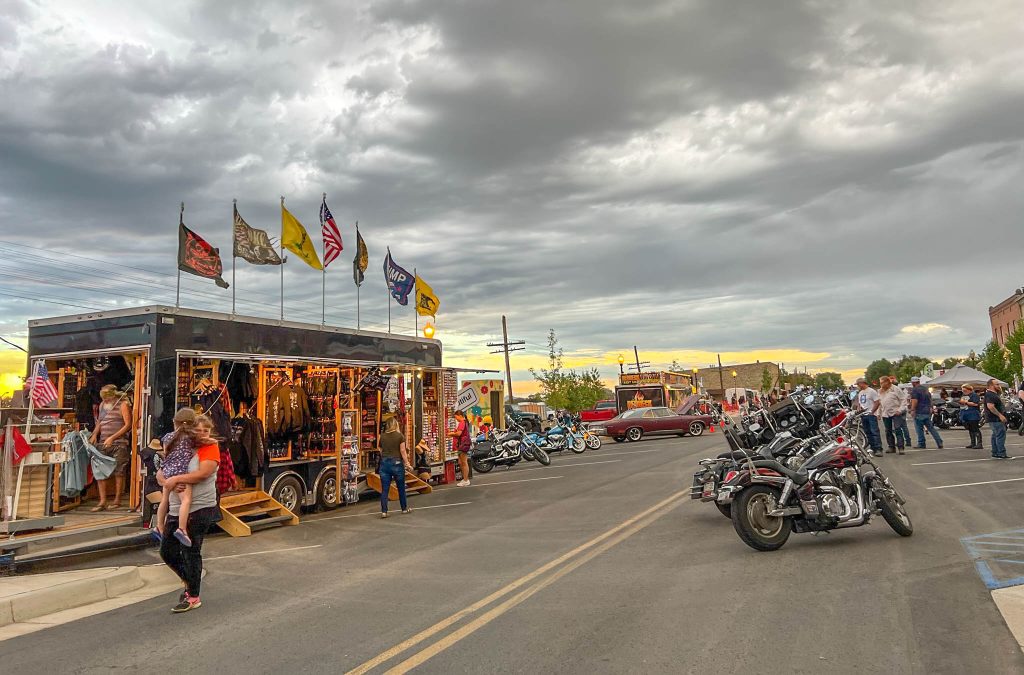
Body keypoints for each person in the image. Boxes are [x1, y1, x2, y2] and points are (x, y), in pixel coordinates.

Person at [158, 408, 221, 613]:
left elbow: (203, 473)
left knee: (190, 550)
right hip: (176, 506)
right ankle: (189, 582)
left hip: (200, 506)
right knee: (167, 551)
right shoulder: (179, 444)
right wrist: (170, 482)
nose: (202, 433)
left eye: (206, 430)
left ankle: (193, 595)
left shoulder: (210, 448)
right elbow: (161, 471)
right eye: (198, 429)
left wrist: (177, 479)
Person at [155, 409, 200, 547]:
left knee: (164, 500)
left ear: (175, 422)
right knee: (186, 500)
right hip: (181, 472)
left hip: (167, 470)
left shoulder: (168, 437)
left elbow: (165, 453)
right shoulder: (191, 438)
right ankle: (182, 528)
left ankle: (159, 526)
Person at [89, 384, 133, 511]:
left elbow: (128, 424)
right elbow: (100, 421)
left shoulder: (122, 404)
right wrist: (95, 434)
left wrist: (113, 437)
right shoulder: (103, 405)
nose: (106, 400)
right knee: (100, 470)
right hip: (103, 441)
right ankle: (102, 500)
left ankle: (117, 499)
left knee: (119, 471)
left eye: (107, 397)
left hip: (119, 443)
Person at [378, 415, 412, 518]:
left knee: (385, 489)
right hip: (397, 463)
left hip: (384, 463)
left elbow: (379, 448)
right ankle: (404, 508)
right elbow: (403, 451)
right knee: (401, 487)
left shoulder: (382, 436)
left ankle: (384, 511)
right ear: (395, 424)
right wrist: (407, 464)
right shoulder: (400, 436)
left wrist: (384, 454)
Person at [909, 376, 943, 449]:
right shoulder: (925, 389)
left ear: (913, 382)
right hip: (927, 411)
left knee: (919, 429)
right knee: (931, 428)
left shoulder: (915, 390)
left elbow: (914, 401)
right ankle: (939, 442)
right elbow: (930, 399)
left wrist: (912, 410)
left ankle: (921, 443)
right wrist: (931, 407)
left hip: (919, 411)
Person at [854, 378, 883, 456]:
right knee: (867, 432)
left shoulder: (871, 391)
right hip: (863, 415)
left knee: (874, 432)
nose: (858, 386)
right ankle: (873, 448)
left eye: (858, 384)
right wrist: (858, 409)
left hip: (871, 415)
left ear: (862, 383)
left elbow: (877, 402)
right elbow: (860, 404)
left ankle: (878, 448)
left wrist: (873, 411)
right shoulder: (860, 393)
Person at [878, 377, 906, 454]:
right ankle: (891, 447)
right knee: (888, 430)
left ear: (887, 382)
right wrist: (878, 413)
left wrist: (900, 410)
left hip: (895, 412)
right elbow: (880, 403)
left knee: (897, 429)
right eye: (880, 383)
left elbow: (903, 399)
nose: (881, 384)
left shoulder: (895, 389)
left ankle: (901, 447)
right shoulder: (880, 391)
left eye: (882, 382)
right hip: (885, 413)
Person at [985, 379, 1010, 459]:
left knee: (995, 435)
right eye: (997, 384)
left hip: (994, 419)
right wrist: (1000, 415)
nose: (999, 385)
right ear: (991, 386)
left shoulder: (992, 394)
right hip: (995, 419)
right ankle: (1001, 453)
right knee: (1000, 435)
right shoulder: (990, 395)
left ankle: (995, 452)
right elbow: (990, 406)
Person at [447, 409, 472, 487]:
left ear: (460, 416)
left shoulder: (462, 422)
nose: (456, 419)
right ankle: (465, 479)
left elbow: (458, 433)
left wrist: (451, 434)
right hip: (463, 443)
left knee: (464, 462)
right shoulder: (465, 422)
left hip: (463, 444)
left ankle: (465, 480)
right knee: (461, 462)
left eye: (456, 417)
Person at [960, 385, 983, 449]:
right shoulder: (964, 396)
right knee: (970, 429)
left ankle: (979, 443)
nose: (963, 392)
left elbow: (975, 404)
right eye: (962, 390)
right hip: (965, 414)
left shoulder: (974, 395)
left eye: (965, 390)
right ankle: (973, 443)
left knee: (975, 429)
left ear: (969, 389)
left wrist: (966, 402)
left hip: (973, 414)